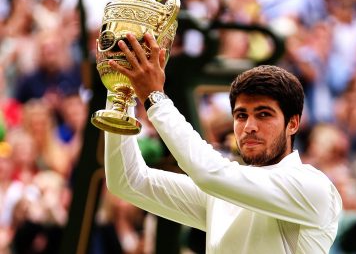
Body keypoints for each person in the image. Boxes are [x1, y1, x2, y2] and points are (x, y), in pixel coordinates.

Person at [104, 32, 342, 253]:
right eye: (241, 115)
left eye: (263, 114)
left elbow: (209, 173)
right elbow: (127, 181)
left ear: (293, 124)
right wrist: (120, 91)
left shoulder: (313, 186)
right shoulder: (221, 191)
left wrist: (154, 98)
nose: (249, 126)